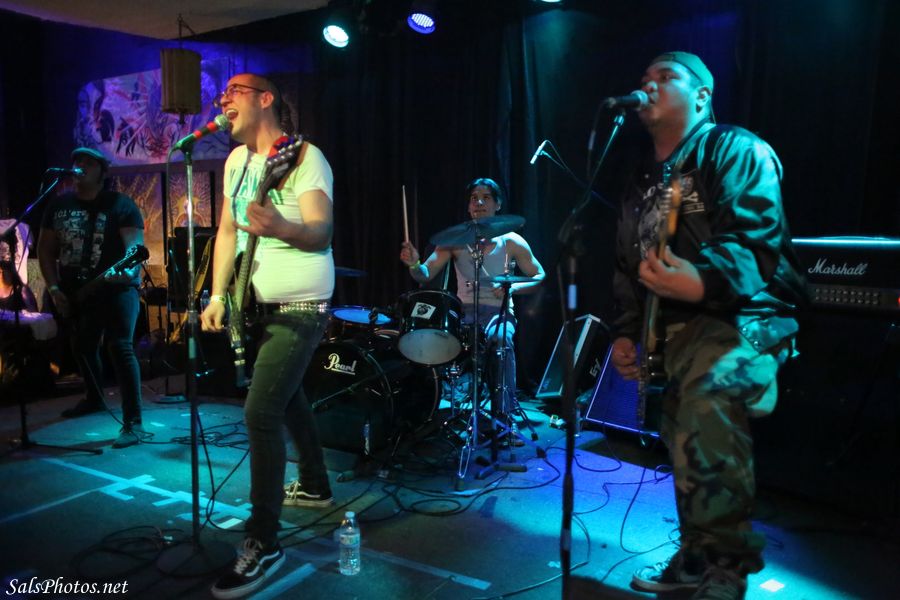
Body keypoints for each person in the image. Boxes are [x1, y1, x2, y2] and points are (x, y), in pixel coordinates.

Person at [609, 52, 806, 600]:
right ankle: (696, 557)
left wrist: (702, 279)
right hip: (677, 330)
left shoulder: (733, 148)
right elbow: (627, 266)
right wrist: (625, 332)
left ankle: (725, 569)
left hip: (742, 316)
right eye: (644, 78)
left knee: (705, 409)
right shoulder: (640, 181)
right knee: (682, 439)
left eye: (666, 77)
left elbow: (756, 235)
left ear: (702, 95)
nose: (649, 85)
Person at [200, 73, 335, 599]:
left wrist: (283, 228)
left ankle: (264, 541)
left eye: (233, 90)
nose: (223, 99)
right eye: (223, 94)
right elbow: (227, 231)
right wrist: (217, 295)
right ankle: (316, 485)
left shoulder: (305, 158)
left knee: (260, 412)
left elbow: (321, 230)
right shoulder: (236, 162)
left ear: (265, 98)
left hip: (301, 306)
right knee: (286, 394)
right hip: (255, 305)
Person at [399, 178, 545, 424]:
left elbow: (540, 276)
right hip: (464, 314)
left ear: (498, 205)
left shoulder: (512, 241)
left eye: (486, 198)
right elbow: (424, 275)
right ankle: (430, 409)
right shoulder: (454, 241)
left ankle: (505, 413)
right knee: (431, 336)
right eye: (474, 198)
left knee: (500, 338)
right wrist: (414, 264)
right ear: (468, 207)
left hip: (499, 312)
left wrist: (512, 288)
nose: (479, 203)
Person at [37, 147, 146, 448]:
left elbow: (135, 250)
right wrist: (54, 289)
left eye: (88, 162)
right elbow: (45, 249)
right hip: (75, 291)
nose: (80, 165)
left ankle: (133, 422)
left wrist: (128, 268)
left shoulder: (121, 205)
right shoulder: (58, 205)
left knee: (120, 347)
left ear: (102, 171)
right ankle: (95, 398)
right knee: (82, 346)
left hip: (117, 290)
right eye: (77, 161)